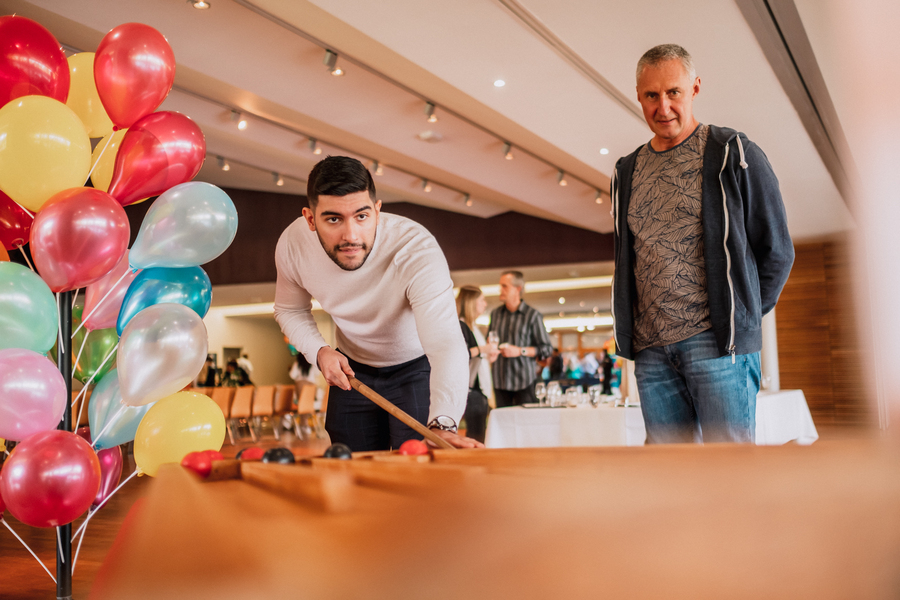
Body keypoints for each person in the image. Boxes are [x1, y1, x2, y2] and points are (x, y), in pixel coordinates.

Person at [611, 44, 794, 443]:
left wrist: (740, 315)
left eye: (673, 92)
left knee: (730, 477)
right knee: (671, 483)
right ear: (638, 95)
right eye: (651, 95)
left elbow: (777, 250)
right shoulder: (626, 171)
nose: (663, 107)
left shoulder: (733, 152)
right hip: (651, 353)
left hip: (718, 347)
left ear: (694, 88)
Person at [274, 156, 482, 450]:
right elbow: (289, 309)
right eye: (334, 219)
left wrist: (444, 423)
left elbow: (446, 341)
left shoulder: (415, 249)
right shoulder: (293, 244)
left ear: (377, 211)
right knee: (351, 470)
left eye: (362, 216)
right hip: (352, 370)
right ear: (310, 218)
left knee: (418, 469)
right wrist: (319, 351)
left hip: (416, 368)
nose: (351, 236)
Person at [488, 271, 553, 407]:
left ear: (518, 289)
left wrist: (519, 351)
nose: (500, 290)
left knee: (527, 426)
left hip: (525, 383)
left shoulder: (533, 316)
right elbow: (489, 342)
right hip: (500, 383)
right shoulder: (495, 315)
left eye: (505, 286)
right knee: (503, 426)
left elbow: (546, 349)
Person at [456, 285, 498, 443]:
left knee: (479, 432)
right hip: (472, 390)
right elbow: (463, 354)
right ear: (472, 302)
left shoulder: (474, 327)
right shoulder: (460, 326)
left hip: (479, 390)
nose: (485, 304)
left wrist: (488, 356)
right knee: (476, 435)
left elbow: (477, 356)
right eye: (482, 300)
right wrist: (484, 349)